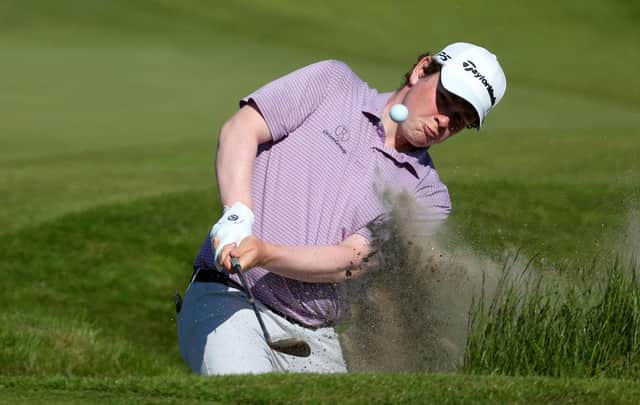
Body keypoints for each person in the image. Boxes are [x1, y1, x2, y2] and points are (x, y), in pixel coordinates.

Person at [176, 42, 507, 375]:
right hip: (229, 297)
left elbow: (353, 260)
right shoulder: (332, 84)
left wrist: (265, 253)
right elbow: (240, 130)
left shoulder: (428, 195)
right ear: (422, 70)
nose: (444, 122)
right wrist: (238, 214)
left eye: (460, 120)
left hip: (318, 337)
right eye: (446, 101)